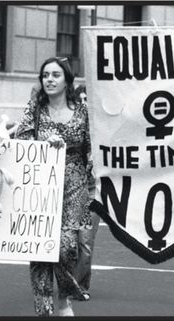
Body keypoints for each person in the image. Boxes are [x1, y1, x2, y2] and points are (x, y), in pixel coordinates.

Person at [16, 57, 93, 316]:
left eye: (55, 75)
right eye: (45, 75)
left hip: (75, 185)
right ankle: (44, 309)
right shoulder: (34, 109)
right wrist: (43, 143)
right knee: (40, 247)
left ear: (67, 80)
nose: (49, 79)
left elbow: (92, 148)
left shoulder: (82, 111)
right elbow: (20, 141)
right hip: (40, 184)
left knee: (66, 247)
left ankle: (64, 298)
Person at [71, 83, 99, 302]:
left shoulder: (104, 131)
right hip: (69, 191)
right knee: (68, 242)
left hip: (94, 191)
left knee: (85, 244)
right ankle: (68, 281)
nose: (84, 104)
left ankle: (79, 286)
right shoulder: (71, 128)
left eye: (88, 100)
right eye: (80, 100)